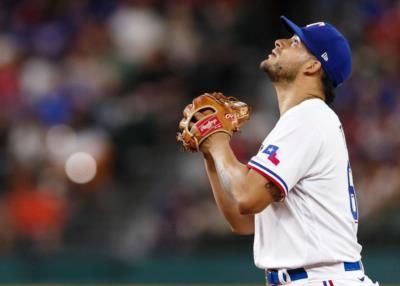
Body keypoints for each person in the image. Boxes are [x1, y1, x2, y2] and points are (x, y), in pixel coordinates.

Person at [195, 16, 379, 285]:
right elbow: (242, 221)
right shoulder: (305, 121)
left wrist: (221, 144)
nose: (280, 43)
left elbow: (246, 196)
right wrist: (210, 153)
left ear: (313, 65)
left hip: (320, 279)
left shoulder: (308, 117)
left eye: (295, 42)